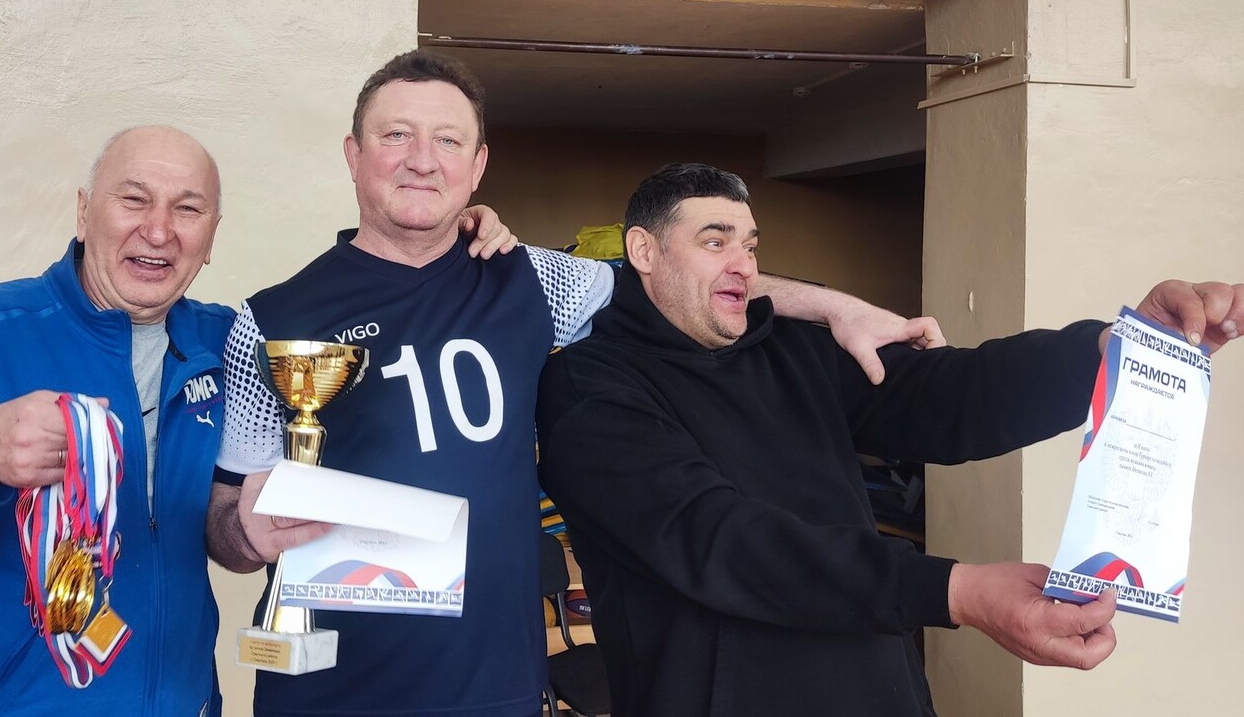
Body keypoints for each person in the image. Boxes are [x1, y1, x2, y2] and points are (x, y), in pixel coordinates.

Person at [205, 50, 950, 717]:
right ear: (354, 153)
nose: (422, 160)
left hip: (498, 687)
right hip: (326, 690)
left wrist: (839, 308)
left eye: (448, 140)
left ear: (478, 165)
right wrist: (245, 533)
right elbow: (225, 528)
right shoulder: (267, 320)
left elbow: (681, 282)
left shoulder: (533, 279)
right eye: (396, 134)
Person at [0, 124, 516, 716]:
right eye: (133, 199)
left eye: (188, 209)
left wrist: (457, 244)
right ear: (85, 211)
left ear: (212, 236)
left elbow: (226, 530)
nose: (159, 229)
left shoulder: (233, 345)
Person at [533, 162, 1244, 717]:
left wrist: (1113, 352)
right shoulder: (587, 390)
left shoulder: (796, 350)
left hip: (879, 693)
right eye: (714, 242)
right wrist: (955, 590)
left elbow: (954, 395)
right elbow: (722, 540)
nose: (743, 264)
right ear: (643, 251)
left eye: (750, 245)